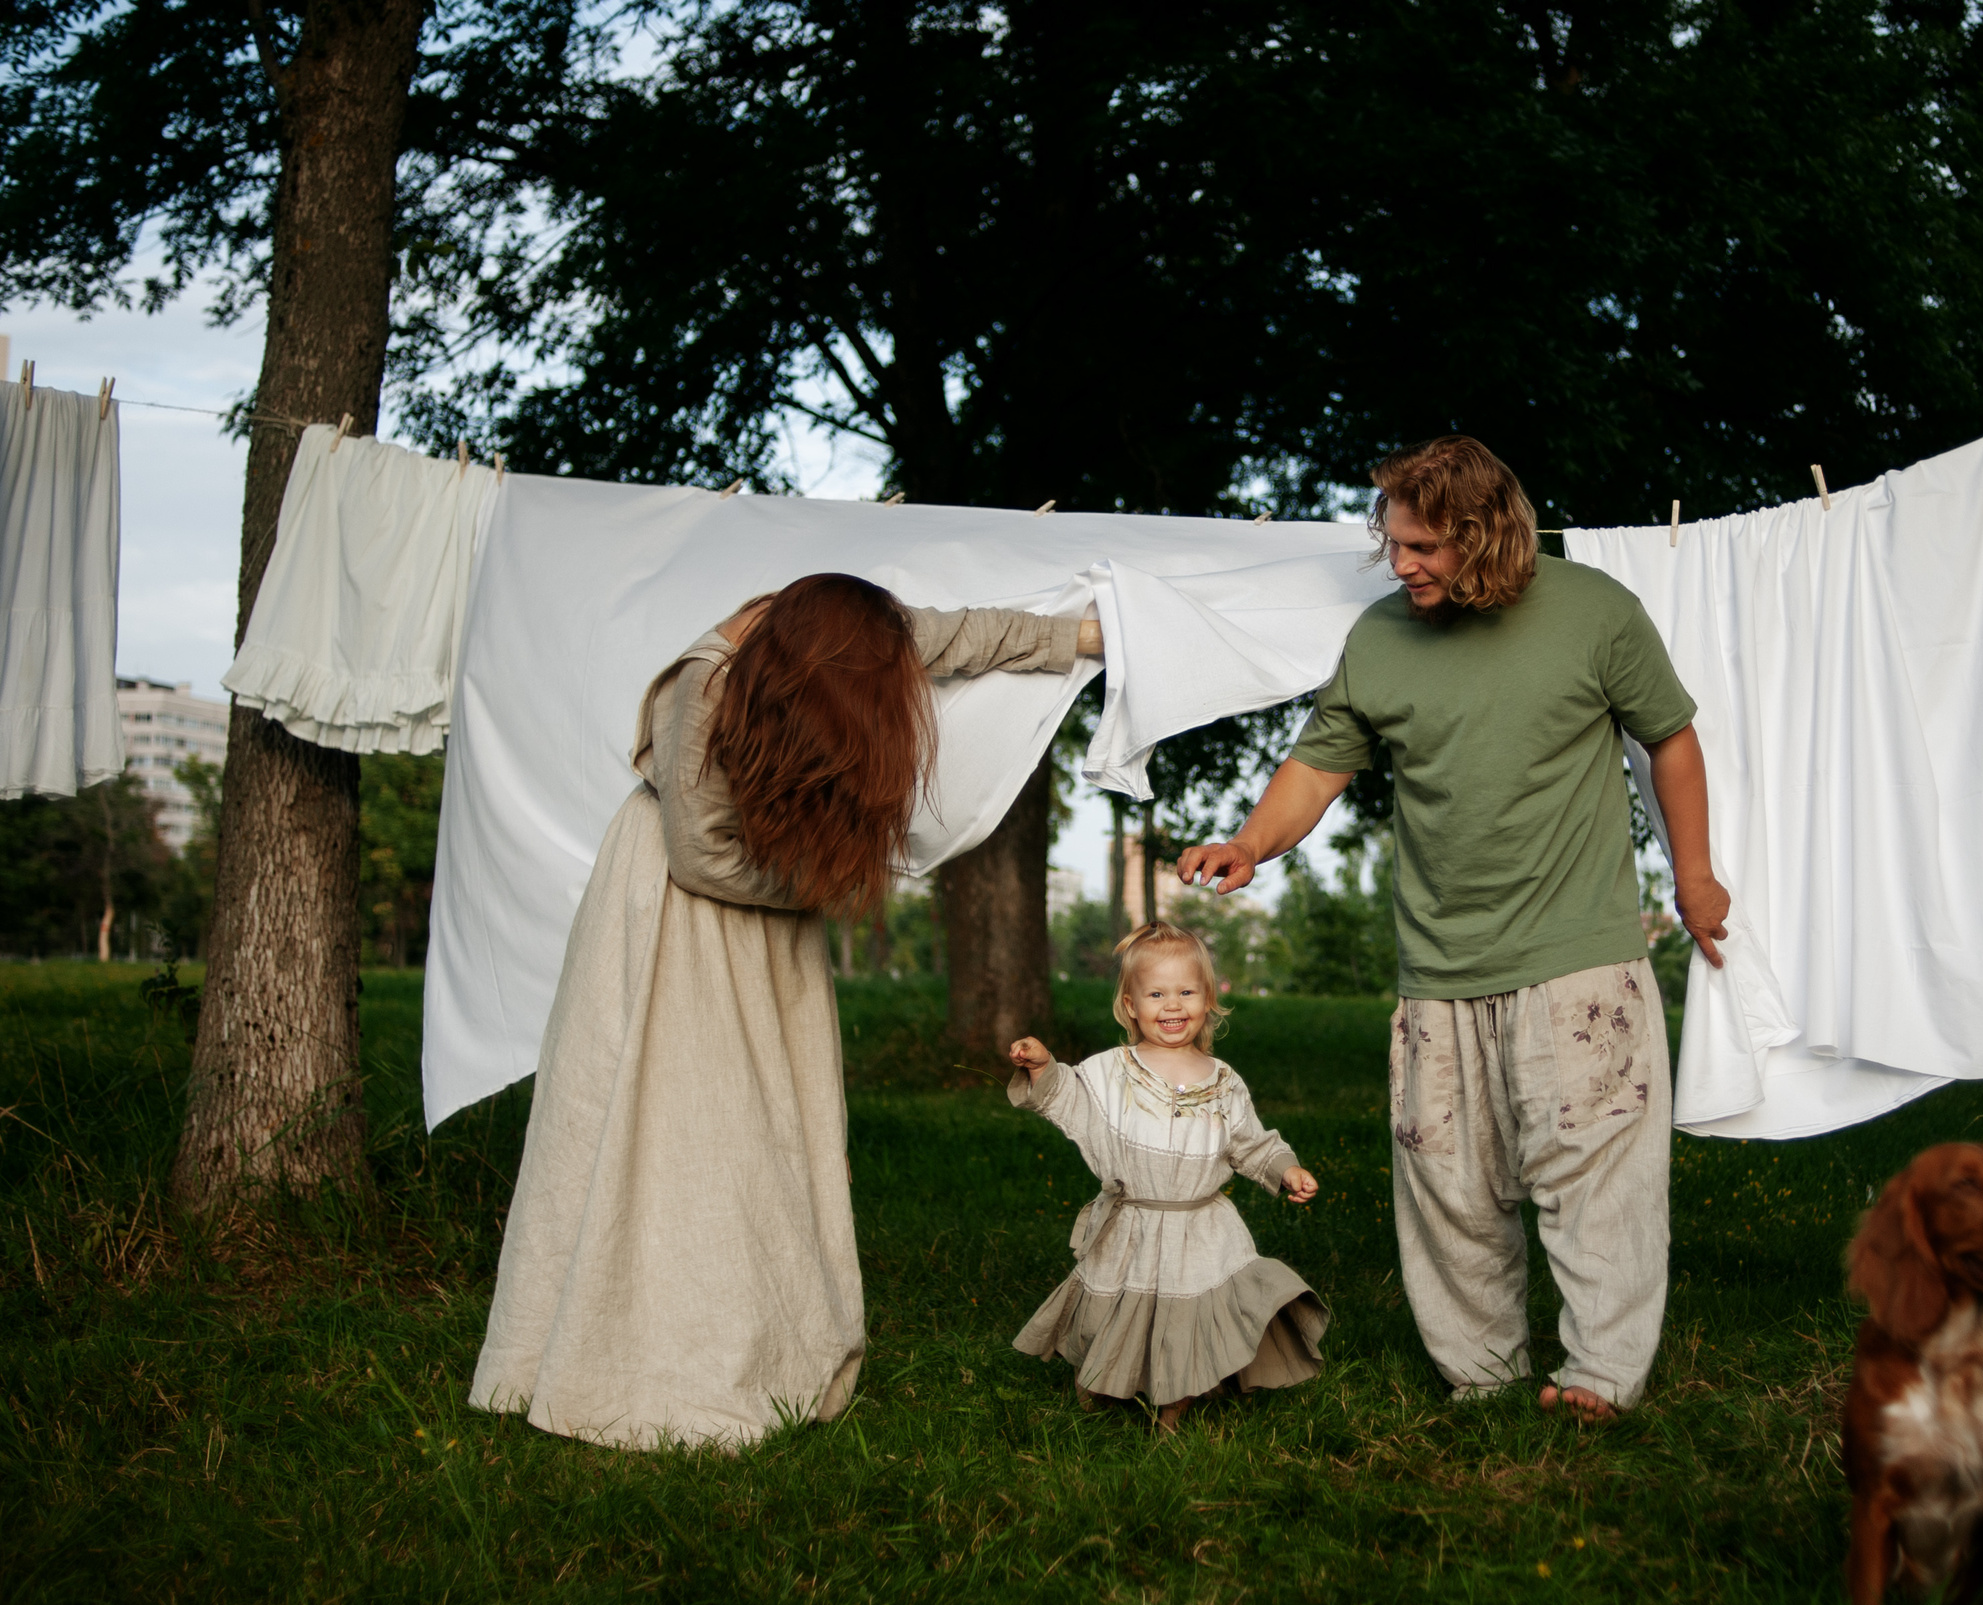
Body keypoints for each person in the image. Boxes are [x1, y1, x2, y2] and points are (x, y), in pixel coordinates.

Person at [470, 573, 1098, 1450]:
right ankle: (644, 1351)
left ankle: (770, 1332)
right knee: (678, 1126)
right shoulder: (710, 680)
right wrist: (827, 878)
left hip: (765, 911)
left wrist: (1085, 640)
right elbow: (698, 854)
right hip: (677, 914)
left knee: (769, 1127)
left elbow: (963, 635)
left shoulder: (849, 634)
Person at [1178, 436, 1729, 1423]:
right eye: (1393, 544)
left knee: (1596, 1179)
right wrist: (1251, 843)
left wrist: (1695, 878)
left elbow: (1671, 739)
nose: (1401, 565)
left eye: (1424, 547)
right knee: (1449, 1185)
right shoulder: (1381, 639)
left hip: (1578, 959)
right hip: (1436, 968)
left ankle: (1600, 1382)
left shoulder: (1596, 614)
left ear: (1489, 536)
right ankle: (1481, 1378)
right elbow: (1318, 765)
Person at [1005, 922, 1327, 1430]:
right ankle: (1098, 1383)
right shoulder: (1112, 1071)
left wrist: (1285, 1170)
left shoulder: (1223, 1081)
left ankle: (1174, 1407)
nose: (1172, 1006)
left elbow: (1250, 1142)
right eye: (1156, 994)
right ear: (1131, 1005)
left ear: (1208, 999)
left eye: (1185, 992)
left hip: (1198, 1227)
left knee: (1184, 1318)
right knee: (1113, 1310)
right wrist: (1044, 1067)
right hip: (1132, 1223)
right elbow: (1069, 1099)